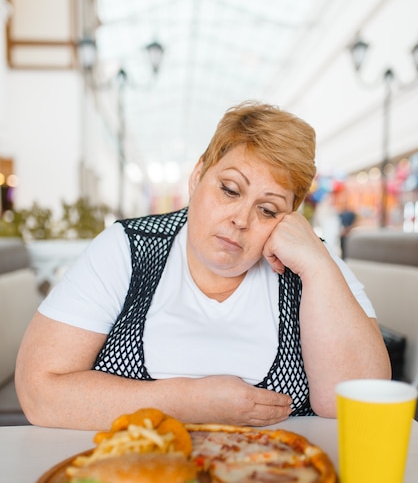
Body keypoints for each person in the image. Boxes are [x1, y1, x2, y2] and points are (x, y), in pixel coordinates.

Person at [15, 101, 391, 430]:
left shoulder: (313, 262)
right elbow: (39, 392)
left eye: (268, 209)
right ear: (197, 177)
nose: (241, 219)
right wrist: (188, 403)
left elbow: (359, 401)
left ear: (291, 219)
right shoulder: (127, 249)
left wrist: (318, 267)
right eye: (230, 189)